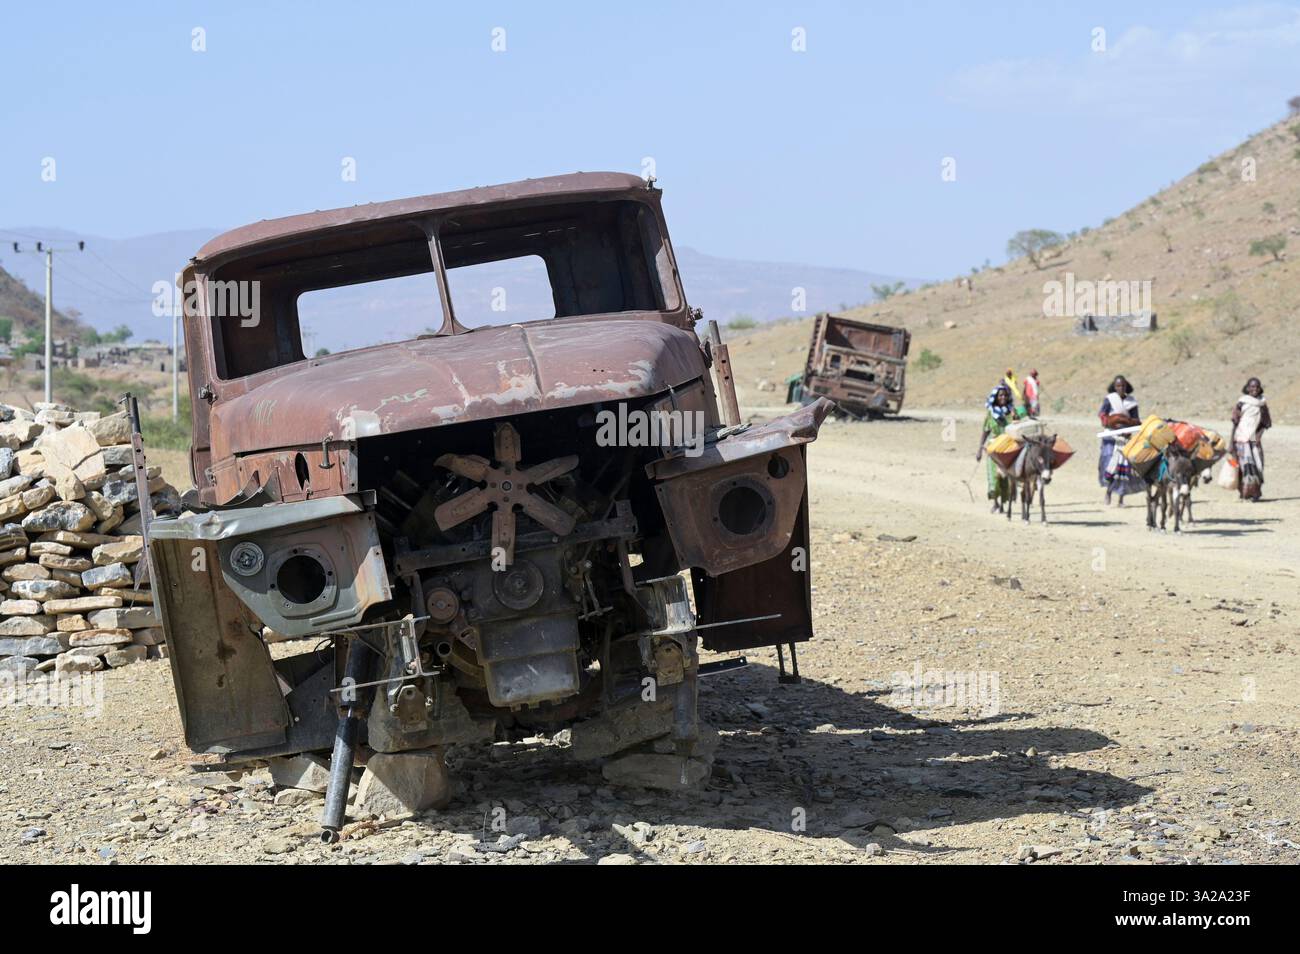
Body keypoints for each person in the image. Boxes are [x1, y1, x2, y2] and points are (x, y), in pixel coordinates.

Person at [1098, 375, 1143, 506]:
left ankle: (1121, 498)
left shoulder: (1131, 402)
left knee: (1124, 467)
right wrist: (1112, 421)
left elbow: (1136, 420)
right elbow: (1102, 415)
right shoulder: (1110, 399)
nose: (1120, 388)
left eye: (1123, 386)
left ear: (1126, 386)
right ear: (1114, 387)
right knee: (1110, 465)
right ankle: (1108, 492)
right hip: (1111, 437)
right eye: (1118, 386)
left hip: (1125, 437)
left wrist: (1127, 422)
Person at [977, 384, 1019, 513]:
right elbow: (985, 431)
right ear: (995, 397)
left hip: (1007, 449)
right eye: (1000, 395)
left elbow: (1018, 428)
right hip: (993, 450)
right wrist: (979, 448)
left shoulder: (1011, 411)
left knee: (1006, 478)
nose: (1003, 397)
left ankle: (1003, 504)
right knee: (994, 477)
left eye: (1005, 395)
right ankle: (995, 503)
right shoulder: (990, 413)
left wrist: (1015, 417)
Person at [1231, 377, 1271, 501]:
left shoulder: (1262, 404)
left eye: (1257, 387)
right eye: (1252, 387)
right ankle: (1244, 493)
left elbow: (1266, 423)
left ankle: (1255, 493)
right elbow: (1235, 423)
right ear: (1247, 388)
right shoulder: (1241, 402)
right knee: (1243, 467)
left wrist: (1258, 436)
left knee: (1257, 465)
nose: (1254, 389)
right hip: (1240, 437)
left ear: (1260, 389)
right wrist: (1231, 443)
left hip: (1253, 438)